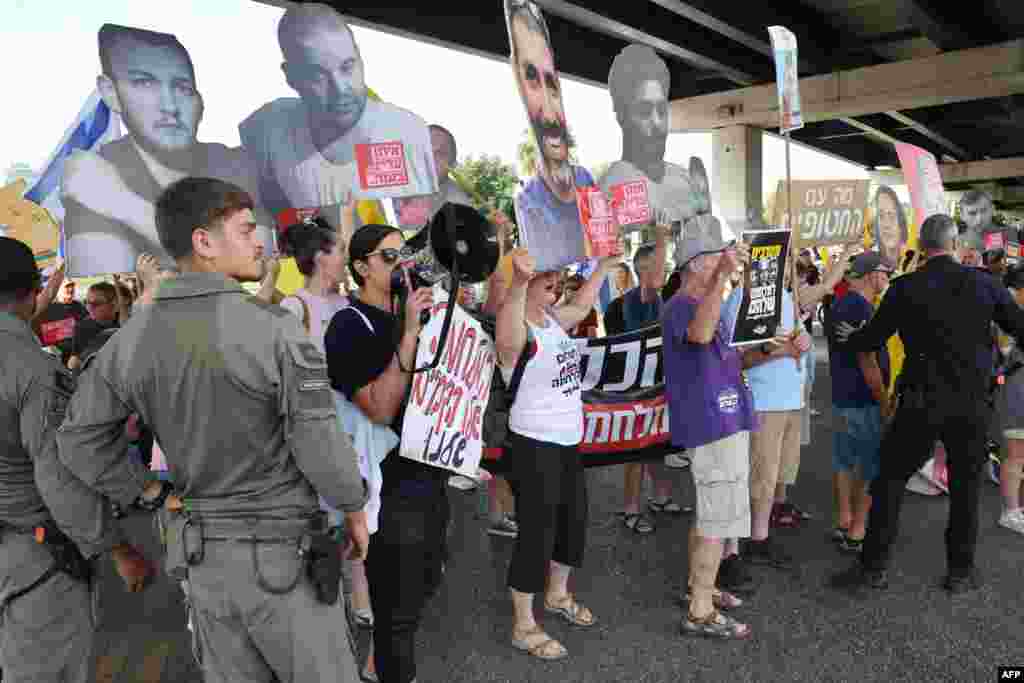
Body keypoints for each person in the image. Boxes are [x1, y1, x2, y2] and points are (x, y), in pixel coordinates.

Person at [56, 177, 369, 682]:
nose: (259, 242)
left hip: (204, 565)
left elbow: (79, 442)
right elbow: (320, 446)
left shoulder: (131, 338)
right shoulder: (274, 329)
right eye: (245, 231)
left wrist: (150, 492)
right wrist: (352, 504)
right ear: (204, 242)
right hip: (284, 560)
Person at [830, 214, 1024, 595]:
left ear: (921, 247)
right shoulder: (985, 284)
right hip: (971, 404)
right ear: (953, 245)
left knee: (889, 481)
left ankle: (872, 569)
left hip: (920, 402)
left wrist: (851, 338)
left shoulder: (905, 287)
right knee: (966, 488)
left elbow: (871, 338)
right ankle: (961, 572)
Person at [0, 236, 153, 683]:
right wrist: (117, 548)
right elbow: (57, 477)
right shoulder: (31, 369)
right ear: (33, 291)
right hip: (33, 556)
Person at [61, 24, 273, 275]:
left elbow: (256, 267)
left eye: (182, 88)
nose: (170, 106)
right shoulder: (94, 174)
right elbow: (111, 295)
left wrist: (123, 205)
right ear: (110, 92)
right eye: (144, 83)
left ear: (199, 101)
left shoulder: (232, 162)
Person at [324, 224, 439, 683]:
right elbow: (378, 407)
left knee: (426, 578)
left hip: (426, 472)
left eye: (404, 255)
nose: (401, 264)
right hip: (386, 485)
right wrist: (409, 333)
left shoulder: (408, 315)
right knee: (397, 608)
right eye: (389, 256)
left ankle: (377, 663)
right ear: (360, 267)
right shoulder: (348, 326)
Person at [495, 248, 617, 660]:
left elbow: (582, 304)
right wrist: (517, 281)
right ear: (526, 284)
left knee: (572, 522)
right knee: (536, 534)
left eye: (558, 279)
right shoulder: (516, 326)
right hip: (533, 444)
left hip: (567, 441)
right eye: (548, 280)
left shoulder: (551, 322)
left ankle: (558, 595)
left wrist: (603, 267)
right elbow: (508, 340)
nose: (557, 284)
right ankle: (523, 624)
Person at [240, 3, 437, 218]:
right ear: (290, 77)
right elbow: (269, 213)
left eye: (347, 67)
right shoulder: (269, 129)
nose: (340, 88)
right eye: (318, 75)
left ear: (361, 59)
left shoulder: (405, 132)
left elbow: (420, 226)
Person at [663, 225, 755, 639]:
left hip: (725, 419)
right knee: (717, 518)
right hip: (713, 424)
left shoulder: (702, 300)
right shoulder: (683, 305)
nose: (726, 261)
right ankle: (700, 609)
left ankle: (699, 589)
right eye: (718, 257)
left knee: (713, 514)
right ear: (698, 263)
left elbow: (726, 350)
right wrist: (722, 279)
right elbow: (700, 336)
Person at [607, 230, 687, 534]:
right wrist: (662, 239)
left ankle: (661, 498)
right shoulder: (623, 305)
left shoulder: (663, 299)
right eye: (657, 265)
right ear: (642, 269)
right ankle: (630, 508)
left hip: (661, 385)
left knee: (656, 447)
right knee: (636, 452)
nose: (663, 271)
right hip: (635, 390)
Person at [506, 0, 594, 272]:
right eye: (532, 79)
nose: (549, 114)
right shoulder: (527, 199)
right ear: (519, 87)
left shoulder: (585, 180)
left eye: (552, 84)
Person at [599, 44, 711, 230]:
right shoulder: (612, 186)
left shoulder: (684, 178)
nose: (657, 123)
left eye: (661, 110)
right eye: (644, 110)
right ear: (621, 115)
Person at [826, 253, 893, 552]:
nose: (887, 276)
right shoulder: (861, 306)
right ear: (870, 274)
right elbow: (867, 360)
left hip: (842, 395)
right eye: (884, 271)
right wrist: (883, 400)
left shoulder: (841, 303)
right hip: (863, 398)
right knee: (868, 466)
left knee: (844, 462)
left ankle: (844, 520)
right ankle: (857, 530)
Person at [393, 124, 474, 230]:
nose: (429, 158)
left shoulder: (458, 207)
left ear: (452, 165)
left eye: (440, 153)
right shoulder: (388, 182)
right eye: (423, 149)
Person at [995, 264, 1024, 535]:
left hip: (1014, 383)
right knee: (1015, 452)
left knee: (1018, 453)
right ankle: (1010, 510)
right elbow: (1004, 353)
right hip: (1016, 385)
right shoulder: (1008, 312)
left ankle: (1015, 508)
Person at [66, 282, 121, 372]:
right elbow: (75, 358)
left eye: (96, 303)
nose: (89, 307)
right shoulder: (81, 327)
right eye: (86, 302)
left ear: (114, 304)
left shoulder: (125, 324)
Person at [871, 186, 908, 270]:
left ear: (901, 222)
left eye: (891, 215)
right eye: (881, 216)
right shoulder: (871, 264)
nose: (886, 224)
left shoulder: (911, 260)